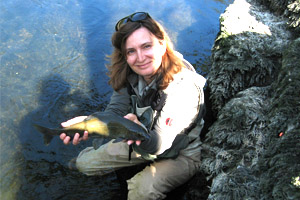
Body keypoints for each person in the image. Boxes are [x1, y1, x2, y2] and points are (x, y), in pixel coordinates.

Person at [60, 12, 206, 200]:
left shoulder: (183, 89)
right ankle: (82, 163)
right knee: (84, 164)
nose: (140, 57)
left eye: (147, 46)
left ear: (162, 44)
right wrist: (92, 123)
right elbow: (116, 110)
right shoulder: (130, 75)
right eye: (131, 51)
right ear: (125, 55)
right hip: (137, 139)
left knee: (140, 190)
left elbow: (158, 145)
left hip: (180, 152)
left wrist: (135, 130)